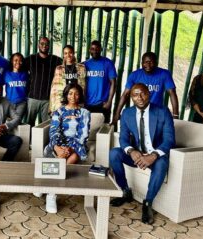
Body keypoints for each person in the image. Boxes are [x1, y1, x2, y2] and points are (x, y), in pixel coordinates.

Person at [109, 83, 175, 225]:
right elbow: (123, 138)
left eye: (143, 93)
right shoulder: (127, 113)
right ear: (131, 97)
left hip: (155, 156)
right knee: (114, 153)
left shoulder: (163, 112)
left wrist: (154, 155)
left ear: (149, 93)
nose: (139, 97)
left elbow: (170, 139)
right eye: (135, 95)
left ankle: (148, 203)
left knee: (163, 163)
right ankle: (125, 191)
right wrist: (131, 151)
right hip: (137, 154)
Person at [37, 83, 91, 213]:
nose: (73, 96)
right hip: (59, 144)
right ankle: (47, 188)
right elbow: (54, 131)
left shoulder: (84, 112)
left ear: (80, 96)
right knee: (62, 156)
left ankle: (51, 193)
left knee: (72, 156)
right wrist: (57, 147)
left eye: (76, 93)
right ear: (66, 95)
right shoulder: (59, 111)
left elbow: (83, 135)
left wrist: (70, 148)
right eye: (70, 93)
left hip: (76, 145)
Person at [112, 52, 179, 124]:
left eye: (151, 62)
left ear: (156, 63)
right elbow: (125, 94)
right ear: (142, 63)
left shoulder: (164, 74)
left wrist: (175, 115)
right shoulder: (135, 75)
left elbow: (172, 93)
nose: (148, 65)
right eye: (145, 62)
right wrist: (117, 113)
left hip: (157, 113)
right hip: (139, 112)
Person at [24, 37, 63, 127]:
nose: (44, 46)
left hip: (47, 99)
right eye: (42, 43)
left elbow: (65, 66)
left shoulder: (56, 60)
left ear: (49, 46)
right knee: (29, 123)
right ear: (38, 45)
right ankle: (29, 140)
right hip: (32, 97)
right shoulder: (30, 59)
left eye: (46, 44)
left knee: (46, 124)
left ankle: (44, 141)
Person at [84, 40, 117, 123]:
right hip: (87, 104)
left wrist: (109, 102)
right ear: (89, 50)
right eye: (92, 49)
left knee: (102, 132)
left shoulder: (108, 63)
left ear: (101, 49)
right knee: (87, 130)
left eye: (97, 49)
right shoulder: (84, 65)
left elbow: (113, 83)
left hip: (102, 104)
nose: (95, 51)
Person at [49, 45, 86, 113]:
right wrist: (52, 107)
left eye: (70, 52)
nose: (68, 55)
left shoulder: (81, 68)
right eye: (65, 53)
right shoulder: (59, 69)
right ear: (63, 55)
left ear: (73, 53)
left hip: (76, 99)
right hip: (62, 100)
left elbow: (83, 86)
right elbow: (54, 88)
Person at [4, 52, 29, 120]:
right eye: (16, 60)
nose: (18, 62)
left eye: (20, 60)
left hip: (22, 103)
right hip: (9, 102)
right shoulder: (6, 74)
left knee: (16, 120)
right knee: (9, 120)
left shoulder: (26, 74)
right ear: (12, 61)